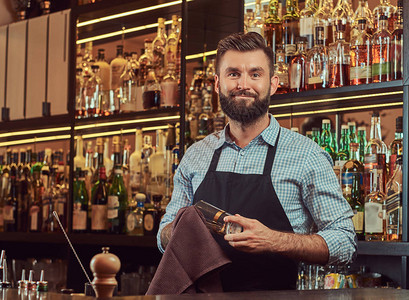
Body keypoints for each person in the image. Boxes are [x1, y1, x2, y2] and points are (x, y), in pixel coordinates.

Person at [158, 32, 357, 291]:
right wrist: (183, 230)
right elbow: (164, 236)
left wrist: (274, 241)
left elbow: (345, 241)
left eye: (255, 74)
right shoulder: (196, 155)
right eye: (233, 74)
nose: (244, 84)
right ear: (217, 83)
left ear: (273, 83)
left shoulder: (306, 155)